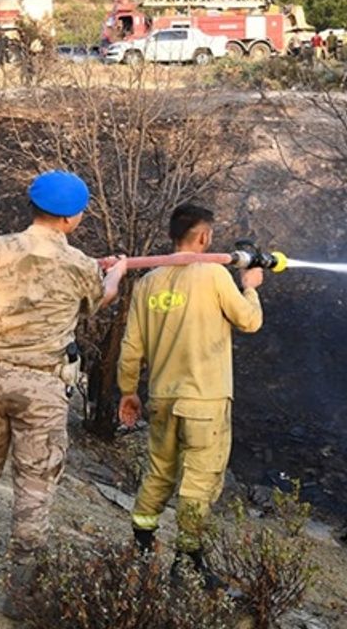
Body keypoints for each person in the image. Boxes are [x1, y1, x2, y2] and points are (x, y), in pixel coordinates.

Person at [0, 171, 127, 619]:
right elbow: (99, 299)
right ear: (73, 219)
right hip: (42, 385)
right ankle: (19, 592)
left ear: (33, 206)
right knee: (35, 486)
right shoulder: (82, 265)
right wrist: (116, 275)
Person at [117, 204, 263, 588]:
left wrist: (128, 391)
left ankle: (142, 546)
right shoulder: (214, 274)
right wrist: (250, 287)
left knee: (159, 473)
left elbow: (131, 346)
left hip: (162, 397)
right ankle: (188, 564)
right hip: (205, 400)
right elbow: (249, 322)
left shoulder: (147, 282)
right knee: (198, 482)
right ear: (204, 237)